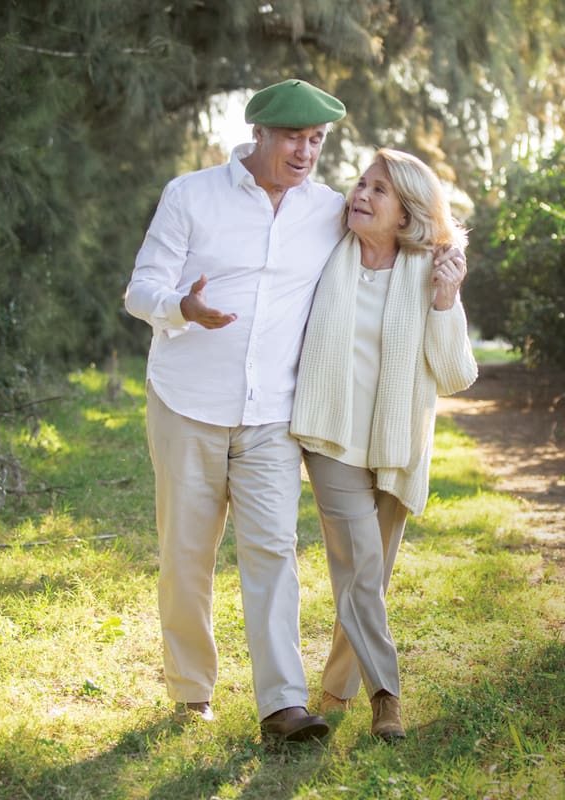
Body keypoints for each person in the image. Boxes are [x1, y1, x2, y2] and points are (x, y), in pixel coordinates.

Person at [123, 78, 349, 743]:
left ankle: (282, 705)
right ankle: (192, 693)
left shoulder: (329, 210)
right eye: (292, 138)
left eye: (316, 140)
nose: (305, 152)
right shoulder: (191, 196)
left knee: (274, 551)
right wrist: (182, 309)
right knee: (187, 553)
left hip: (272, 415)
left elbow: (386, 246)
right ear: (259, 134)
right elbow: (141, 289)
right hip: (186, 402)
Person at [290, 148, 478, 741]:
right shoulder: (324, 255)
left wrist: (445, 305)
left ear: (405, 214)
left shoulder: (430, 273)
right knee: (362, 565)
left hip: (397, 444)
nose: (360, 196)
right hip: (332, 435)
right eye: (360, 184)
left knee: (363, 575)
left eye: (379, 190)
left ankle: (337, 687)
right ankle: (386, 697)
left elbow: (456, 375)